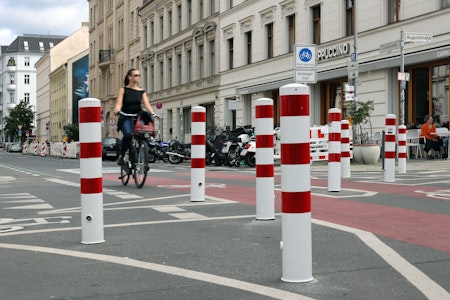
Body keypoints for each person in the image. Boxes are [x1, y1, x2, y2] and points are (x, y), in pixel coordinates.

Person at [114, 68, 156, 165]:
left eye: (139, 75)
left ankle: (143, 157)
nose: (138, 77)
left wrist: (152, 113)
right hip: (126, 115)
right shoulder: (123, 90)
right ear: (130, 77)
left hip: (138, 116)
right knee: (128, 134)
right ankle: (122, 155)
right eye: (136, 75)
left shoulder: (141, 91)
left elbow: (146, 104)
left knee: (144, 134)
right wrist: (117, 109)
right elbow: (119, 103)